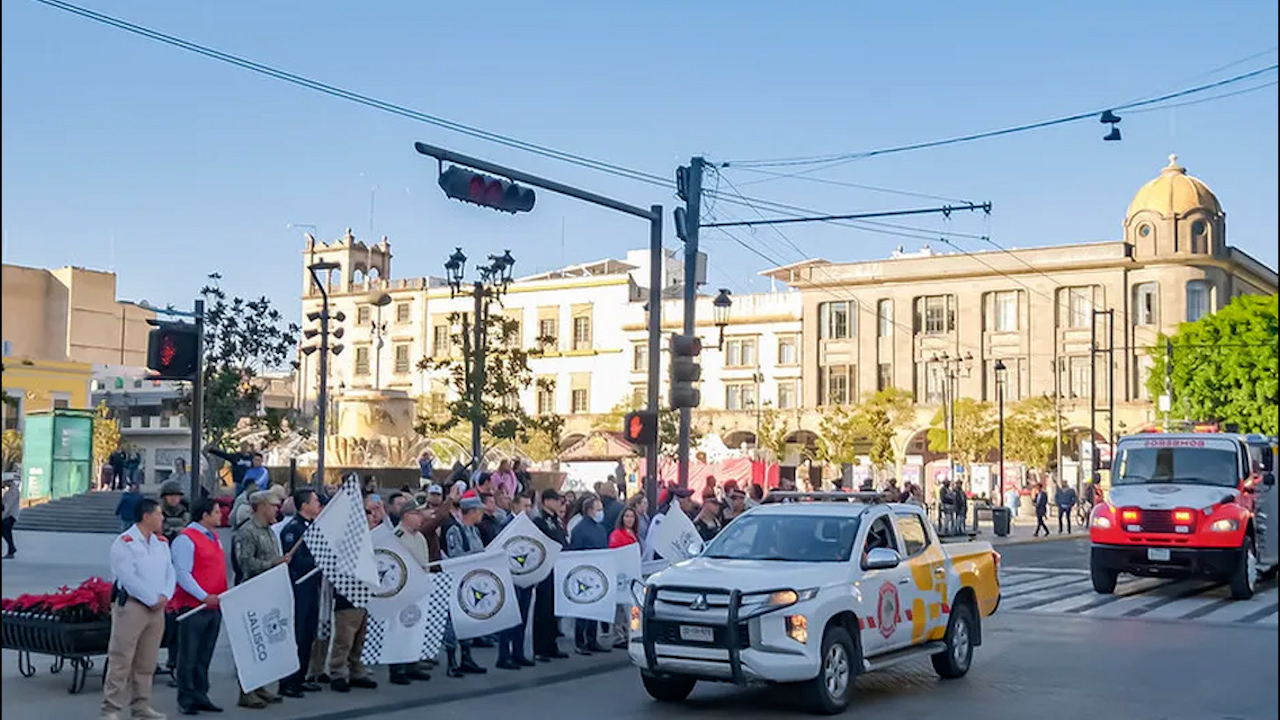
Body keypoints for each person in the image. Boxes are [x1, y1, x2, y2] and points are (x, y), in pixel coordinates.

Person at [102, 498, 174, 720]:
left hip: (157, 608)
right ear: (146, 516)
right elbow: (127, 577)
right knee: (121, 658)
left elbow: (170, 572)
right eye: (159, 514)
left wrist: (165, 595)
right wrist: (150, 598)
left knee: (147, 660)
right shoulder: (125, 542)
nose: (162, 518)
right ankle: (111, 708)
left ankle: (141, 706)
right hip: (133, 606)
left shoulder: (161, 542)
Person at [233, 490, 291, 708]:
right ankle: (246, 690)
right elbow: (245, 563)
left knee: (266, 642)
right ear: (261, 506)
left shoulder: (268, 531)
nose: (277, 509)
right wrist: (273, 564)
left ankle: (260, 686)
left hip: (267, 591)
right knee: (251, 642)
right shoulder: (248, 531)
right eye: (273, 505)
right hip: (251, 592)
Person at [169, 498, 226, 715]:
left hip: (214, 605)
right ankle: (186, 697)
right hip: (194, 607)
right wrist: (203, 596)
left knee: (205, 654)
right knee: (189, 654)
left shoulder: (214, 537)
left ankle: (201, 693)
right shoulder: (186, 539)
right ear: (204, 515)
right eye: (217, 512)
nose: (221, 516)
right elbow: (182, 573)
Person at [278, 489, 325, 698]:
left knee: (308, 633)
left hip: (312, 584)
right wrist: (319, 563)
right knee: (297, 633)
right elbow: (295, 560)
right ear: (304, 505)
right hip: (299, 585)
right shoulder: (294, 529)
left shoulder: (314, 527)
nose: (318, 504)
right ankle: (288, 681)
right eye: (315, 501)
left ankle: (301, 676)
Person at [441, 491, 489, 676]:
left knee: (468, 620)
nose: (481, 514)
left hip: (472, 581)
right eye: (479, 511)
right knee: (453, 622)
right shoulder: (456, 529)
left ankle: (467, 657)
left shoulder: (474, 530)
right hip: (457, 581)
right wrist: (477, 558)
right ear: (473, 511)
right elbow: (455, 556)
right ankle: (452, 661)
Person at [568, 495, 609, 655]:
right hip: (584, 573)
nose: (601, 512)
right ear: (589, 510)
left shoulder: (600, 527)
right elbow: (576, 551)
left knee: (595, 608)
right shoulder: (580, 529)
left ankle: (592, 639)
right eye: (598, 509)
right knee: (583, 609)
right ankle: (580, 641)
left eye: (601, 509)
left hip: (599, 571)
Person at [531, 489, 569, 661]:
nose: (558, 503)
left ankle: (551, 644)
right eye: (555, 500)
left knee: (555, 607)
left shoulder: (556, 520)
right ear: (546, 501)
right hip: (545, 568)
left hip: (559, 567)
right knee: (543, 608)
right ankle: (540, 647)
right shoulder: (539, 521)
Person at [607, 506, 641, 649]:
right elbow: (615, 553)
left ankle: (632, 631)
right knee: (620, 608)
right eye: (626, 516)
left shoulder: (634, 534)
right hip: (621, 575)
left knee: (633, 606)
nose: (629, 519)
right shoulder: (617, 534)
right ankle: (618, 635)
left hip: (633, 575)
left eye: (632, 517)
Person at [2, 476, 19, 559]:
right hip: (9, 515)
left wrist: (2, 516)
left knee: (5, 531)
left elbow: (7, 506)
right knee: (6, 532)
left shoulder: (12, 491)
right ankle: (11, 549)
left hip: (10, 515)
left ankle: (11, 548)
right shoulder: (10, 490)